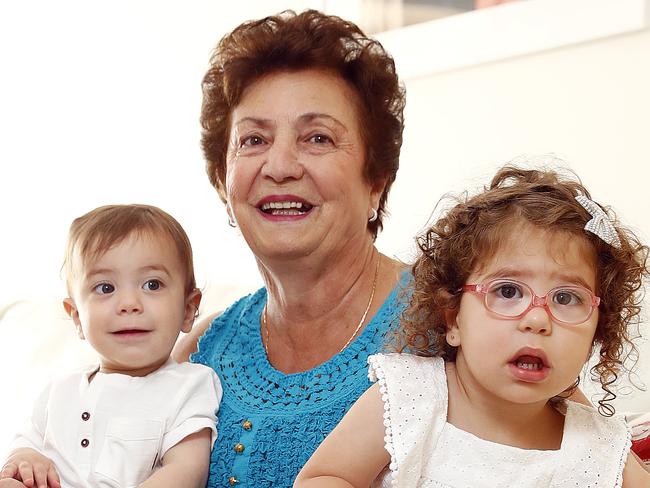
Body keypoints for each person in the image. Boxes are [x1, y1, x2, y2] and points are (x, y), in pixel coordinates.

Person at [295, 167, 650, 487]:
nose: (538, 319)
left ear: (595, 334)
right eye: (508, 291)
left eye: (567, 298)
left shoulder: (601, 448)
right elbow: (325, 477)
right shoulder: (413, 397)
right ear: (453, 318)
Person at [172, 9, 408, 487]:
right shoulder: (200, 352)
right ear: (223, 182)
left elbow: (588, 460)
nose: (279, 166)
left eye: (317, 138)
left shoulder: (455, 321)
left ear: (375, 185)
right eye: (254, 139)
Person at [0, 204, 222, 488]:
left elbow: (186, 470)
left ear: (189, 309)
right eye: (105, 288)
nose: (129, 304)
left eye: (152, 285)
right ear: (77, 317)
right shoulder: (59, 391)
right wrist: (26, 458)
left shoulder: (188, 385)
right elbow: (24, 443)